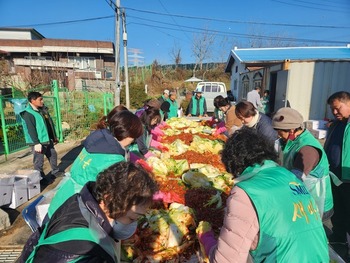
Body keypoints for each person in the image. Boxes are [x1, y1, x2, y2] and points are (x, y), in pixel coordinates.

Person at [197, 128, 329, 262]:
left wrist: (207, 239)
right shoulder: (290, 176)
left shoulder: (246, 192)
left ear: (232, 163)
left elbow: (227, 260)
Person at [19, 161, 158, 263]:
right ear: (108, 199)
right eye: (132, 219)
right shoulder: (90, 253)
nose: (133, 226)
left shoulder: (78, 202)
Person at [48, 110, 144, 217]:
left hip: (61, 199)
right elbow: (113, 195)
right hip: (74, 211)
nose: (133, 141)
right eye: (134, 137)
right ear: (127, 134)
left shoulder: (98, 141)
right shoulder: (114, 159)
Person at [272, 107, 333, 220]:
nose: (277, 135)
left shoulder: (307, 149)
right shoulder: (290, 140)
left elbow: (295, 179)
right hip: (303, 198)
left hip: (315, 202)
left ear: (291, 130)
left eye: (279, 131)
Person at [324, 91, 350, 255]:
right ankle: (339, 238)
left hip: (348, 179)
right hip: (334, 176)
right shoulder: (337, 124)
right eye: (332, 109)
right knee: (338, 209)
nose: (334, 112)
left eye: (337, 108)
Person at [20, 92, 60, 184]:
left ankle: (55, 172)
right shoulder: (28, 113)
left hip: (46, 139)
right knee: (39, 162)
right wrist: (36, 143)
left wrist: (53, 137)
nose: (42, 101)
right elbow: (31, 129)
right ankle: (40, 179)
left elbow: (48, 125)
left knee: (53, 155)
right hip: (38, 142)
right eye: (40, 99)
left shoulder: (41, 111)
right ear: (33, 101)